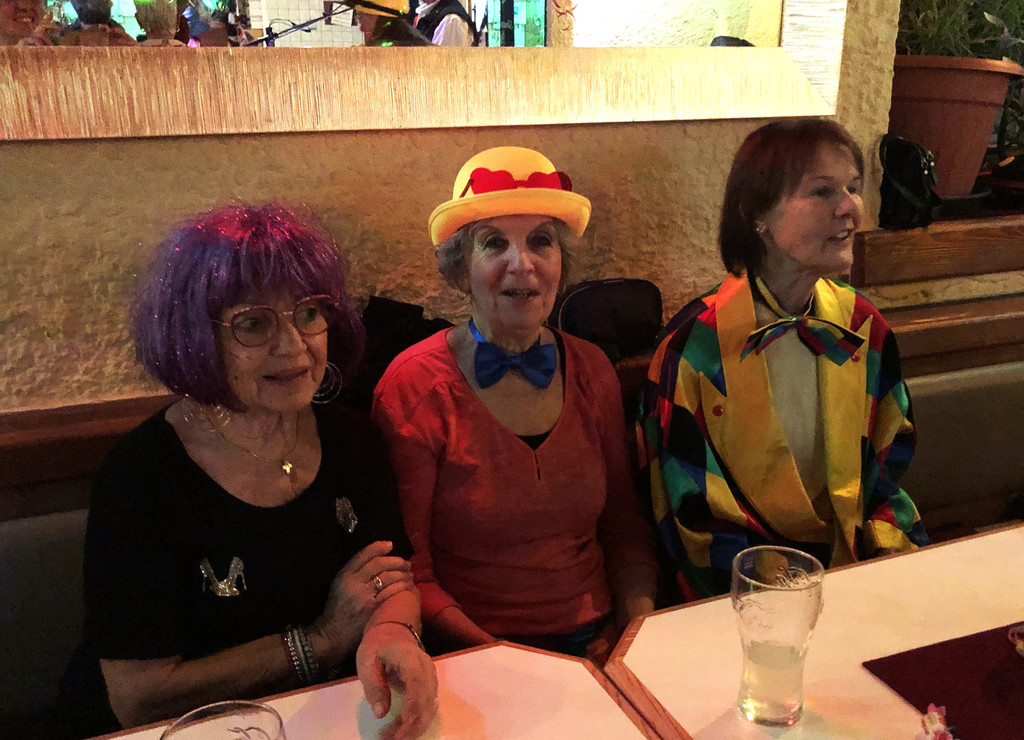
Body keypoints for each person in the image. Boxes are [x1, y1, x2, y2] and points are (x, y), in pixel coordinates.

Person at [59, 204, 437, 740]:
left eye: (309, 313)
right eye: (253, 323)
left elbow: (390, 579)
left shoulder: (352, 438)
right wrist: (321, 641)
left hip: (319, 717)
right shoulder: (141, 477)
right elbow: (137, 697)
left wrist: (392, 634)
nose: (294, 346)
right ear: (195, 336)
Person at [372, 146, 658, 663]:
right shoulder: (414, 386)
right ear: (460, 270)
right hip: (473, 650)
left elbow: (623, 525)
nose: (521, 263)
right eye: (494, 243)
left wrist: (633, 630)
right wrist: (506, 658)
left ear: (561, 265)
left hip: (599, 639)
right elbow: (411, 571)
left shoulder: (592, 369)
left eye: (541, 241)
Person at [643, 119, 929, 601]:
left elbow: (886, 473)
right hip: (747, 598)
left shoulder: (864, 326)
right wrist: (783, 596)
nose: (850, 208)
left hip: (857, 577)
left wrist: (883, 573)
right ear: (757, 214)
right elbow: (690, 517)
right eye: (822, 191)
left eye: (853, 187)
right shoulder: (694, 348)